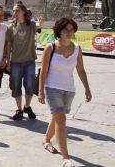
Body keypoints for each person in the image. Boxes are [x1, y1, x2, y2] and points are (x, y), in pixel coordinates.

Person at [38, 18, 92, 167]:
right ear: (59, 31)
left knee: (56, 118)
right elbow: (43, 70)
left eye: (71, 29)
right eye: (65, 29)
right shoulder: (51, 47)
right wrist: (41, 90)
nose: (69, 32)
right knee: (61, 120)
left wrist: (87, 88)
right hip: (52, 88)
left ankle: (46, 140)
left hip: (69, 90)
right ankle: (66, 158)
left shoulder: (77, 48)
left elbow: (80, 70)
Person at [5, 2, 43, 120]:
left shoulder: (31, 25)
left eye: (17, 10)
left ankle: (27, 106)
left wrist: (40, 24)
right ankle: (19, 110)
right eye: (14, 11)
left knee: (29, 86)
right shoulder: (11, 27)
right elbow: (8, 46)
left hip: (29, 61)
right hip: (15, 61)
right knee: (16, 86)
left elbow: (38, 27)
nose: (15, 13)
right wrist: (8, 61)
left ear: (23, 12)